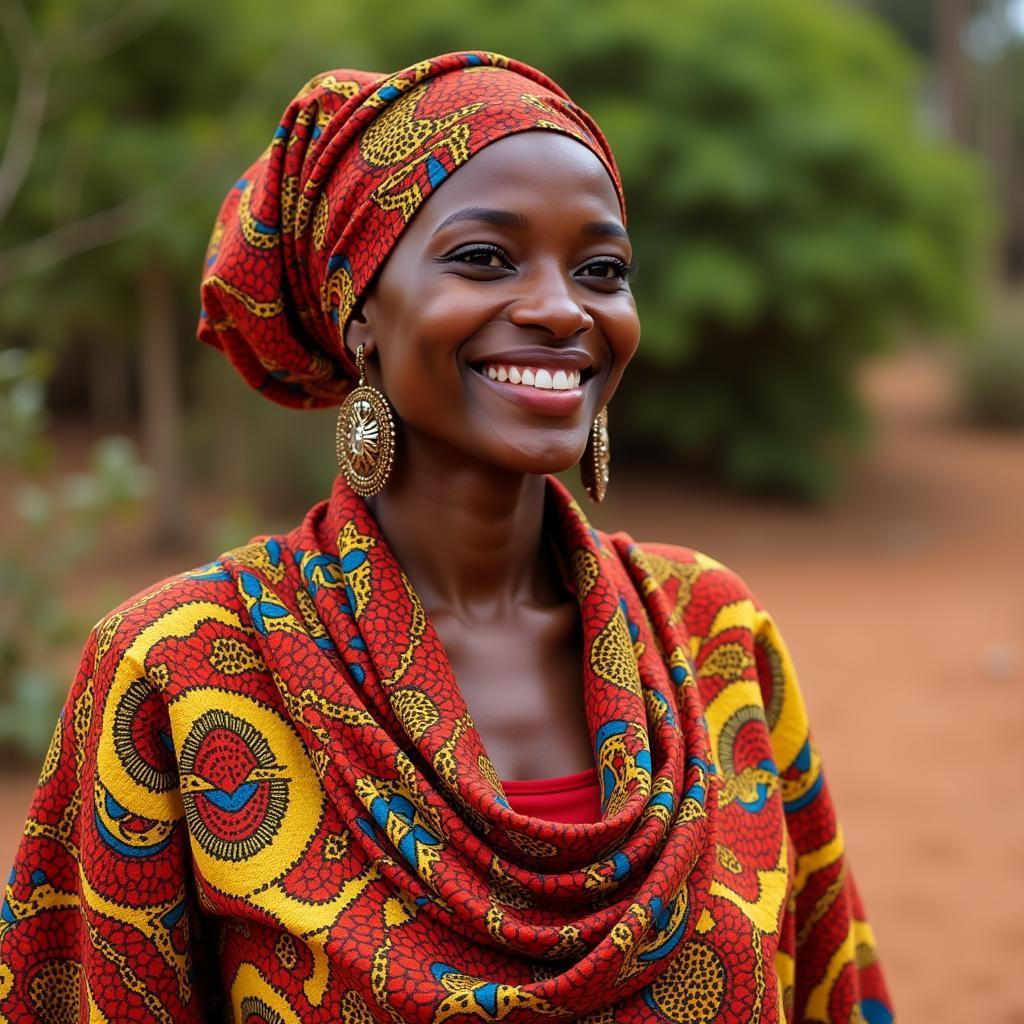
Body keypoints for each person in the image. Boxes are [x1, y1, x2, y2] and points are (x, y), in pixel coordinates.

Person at [0, 52, 894, 1023]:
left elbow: (829, 986)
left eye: (601, 269)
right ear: (359, 316)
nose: (561, 307)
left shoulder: (713, 636)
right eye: (484, 257)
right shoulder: (185, 667)